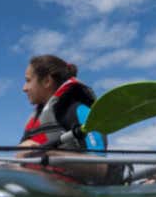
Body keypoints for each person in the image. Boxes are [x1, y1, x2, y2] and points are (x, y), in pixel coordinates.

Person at [19, 54, 120, 184]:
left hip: (80, 194)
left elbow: (100, 168)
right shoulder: (33, 121)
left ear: (46, 81)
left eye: (28, 80)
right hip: (44, 186)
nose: (24, 88)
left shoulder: (78, 111)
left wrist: (47, 154)